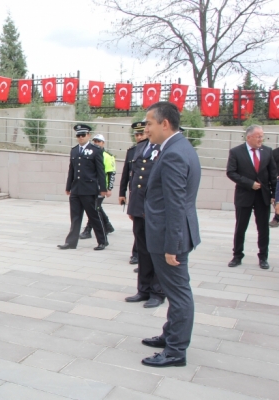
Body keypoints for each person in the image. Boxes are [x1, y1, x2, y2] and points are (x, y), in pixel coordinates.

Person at [141, 101, 200, 368]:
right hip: (169, 233)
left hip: (169, 236)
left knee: (178, 294)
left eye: (149, 123)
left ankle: (176, 351)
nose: (146, 128)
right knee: (176, 291)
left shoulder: (174, 152)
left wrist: (173, 245)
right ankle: (170, 336)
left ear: (165, 124)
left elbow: (175, 203)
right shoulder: (178, 147)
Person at [124, 123, 165, 308]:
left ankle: (157, 292)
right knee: (143, 250)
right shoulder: (140, 147)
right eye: (144, 128)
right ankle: (143, 289)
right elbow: (134, 179)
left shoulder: (164, 147)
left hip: (155, 209)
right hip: (139, 207)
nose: (145, 131)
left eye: (148, 126)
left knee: (157, 252)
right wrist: (132, 208)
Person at [226, 125, 277, 269]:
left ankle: (263, 257)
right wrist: (249, 183)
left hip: (263, 196)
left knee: (263, 228)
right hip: (244, 195)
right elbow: (231, 172)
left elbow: (273, 176)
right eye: (258, 136)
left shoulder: (267, 152)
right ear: (249, 137)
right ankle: (237, 256)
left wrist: (274, 196)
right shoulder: (236, 152)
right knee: (241, 227)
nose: (261, 139)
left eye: (262, 136)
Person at [58, 124, 108, 251]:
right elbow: (72, 170)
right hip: (76, 189)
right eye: (78, 135)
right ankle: (71, 242)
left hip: (89, 189)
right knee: (75, 217)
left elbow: (100, 171)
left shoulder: (96, 150)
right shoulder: (74, 150)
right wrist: (68, 186)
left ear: (88, 135)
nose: (80, 138)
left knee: (94, 216)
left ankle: (102, 241)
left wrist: (103, 188)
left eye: (83, 135)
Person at [120, 121, 148, 267]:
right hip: (135, 193)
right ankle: (136, 254)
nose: (138, 137)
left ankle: (142, 255)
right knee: (137, 228)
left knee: (146, 228)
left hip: (147, 195)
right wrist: (122, 193)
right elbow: (126, 173)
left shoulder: (153, 149)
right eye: (136, 134)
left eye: (141, 133)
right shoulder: (132, 151)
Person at [79, 133, 115, 239]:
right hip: (92, 186)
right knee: (96, 207)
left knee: (94, 208)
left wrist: (109, 188)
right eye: (95, 141)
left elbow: (111, 173)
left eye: (99, 141)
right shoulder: (89, 153)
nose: (96, 143)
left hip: (101, 188)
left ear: (103, 143)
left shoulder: (107, 156)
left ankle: (88, 230)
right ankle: (107, 225)